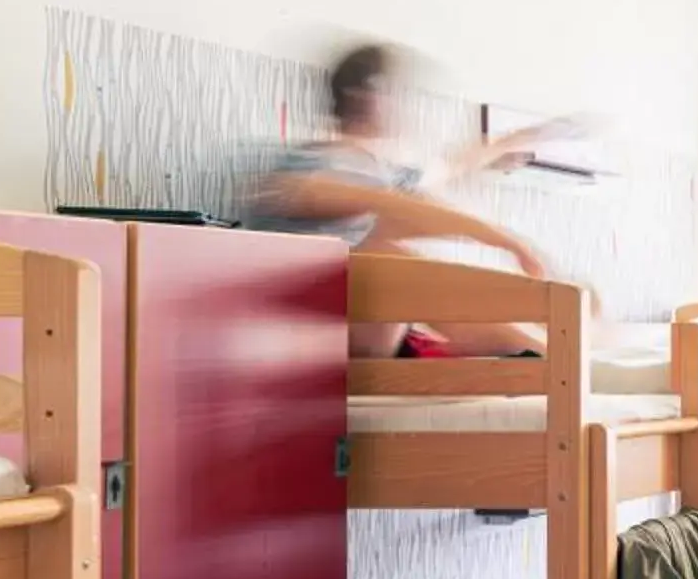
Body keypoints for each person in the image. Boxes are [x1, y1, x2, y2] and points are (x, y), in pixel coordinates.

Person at [243, 42, 579, 358]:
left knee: (401, 246)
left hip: (375, 334)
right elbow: (384, 204)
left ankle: (550, 358)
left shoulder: (387, 173)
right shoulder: (312, 165)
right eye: (398, 94)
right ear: (367, 95)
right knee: (387, 251)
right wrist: (508, 242)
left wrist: (511, 143)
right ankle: (550, 359)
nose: (408, 107)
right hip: (300, 329)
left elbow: (448, 169)